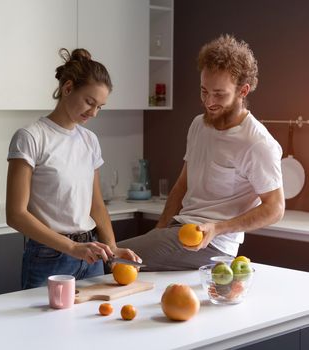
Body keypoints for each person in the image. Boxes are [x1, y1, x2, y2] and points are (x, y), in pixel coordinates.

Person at [118, 34, 285, 271]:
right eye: (204, 91)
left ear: (243, 91)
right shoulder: (199, 125)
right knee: (115, 260)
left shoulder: (257, 143)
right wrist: (159, 231)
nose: (208, 102)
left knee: (111, 259)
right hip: (180, 230)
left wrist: (217, 228)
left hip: (213, 246)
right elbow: (181, 186)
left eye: (219, 94)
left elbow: (275, 208)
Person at [6, 48, 141, 289]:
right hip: (49, 258)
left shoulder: (89, 140)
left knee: (95, 324)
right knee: (42, 327)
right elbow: (15, 214)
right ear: (67, 89)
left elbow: (96, 205)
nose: (94, 113)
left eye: (100, 106)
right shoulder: (30, 137)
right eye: (90, 102)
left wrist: (112, 248)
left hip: (91, 256)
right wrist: (72, 248)